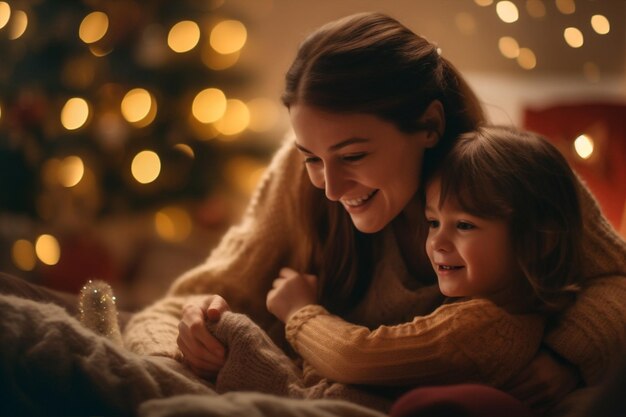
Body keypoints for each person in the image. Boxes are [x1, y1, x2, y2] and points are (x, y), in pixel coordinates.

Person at [1, 10, 625, 416]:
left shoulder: (513, 177)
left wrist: (569, 357)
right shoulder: (299, 183)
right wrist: (172, 351)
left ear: (429, 126)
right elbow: (198, 295)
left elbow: (617, 280)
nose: (329, 185)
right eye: (310, 157)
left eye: (352, 155)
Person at [264, 125, 583, 397]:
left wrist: (299, 312)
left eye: (464, 225)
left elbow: (357, 356)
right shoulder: (499, 314)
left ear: (540, 239)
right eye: (433, 222)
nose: (437, 243)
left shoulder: (483, 328)